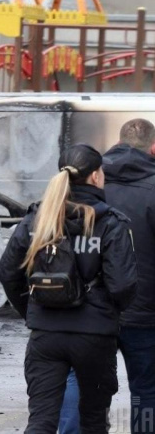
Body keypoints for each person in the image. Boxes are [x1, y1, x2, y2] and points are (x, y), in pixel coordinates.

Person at [0, 144, 137, 433]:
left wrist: (31, 311)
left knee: (41, 421)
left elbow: (7, 272)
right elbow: (122, 284)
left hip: (46, 335)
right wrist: (109, 313)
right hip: (95, 337)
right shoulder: (110, 223)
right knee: (93, 419)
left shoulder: (37, 219)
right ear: (97, 177)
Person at [104, 119, 155, 433]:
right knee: (146, 391)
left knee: (90, 387)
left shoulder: (90, 183)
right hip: (146, 312)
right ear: (152, 148)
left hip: (96, 310)